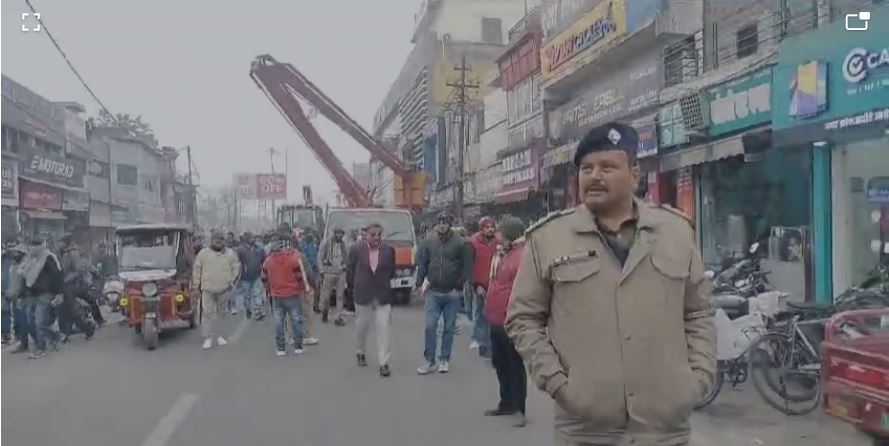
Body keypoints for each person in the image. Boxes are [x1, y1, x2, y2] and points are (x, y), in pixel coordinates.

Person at [506, 123, 716, 446]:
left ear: (635, 174)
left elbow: (698, 312)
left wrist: (698, 378)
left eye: (607, 167)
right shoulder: (548, 239)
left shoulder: (675, 232)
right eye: (586, 168)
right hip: (585, 430)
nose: (594, 176)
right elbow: (523, 318)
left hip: (664, 428)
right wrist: (558, 383)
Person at [415, 211, 473, 375]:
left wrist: (459, 285)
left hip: (452, 292)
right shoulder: (429, 240)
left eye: (445, 222)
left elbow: (467, 266)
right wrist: (419, 282)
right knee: (430, 326)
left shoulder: (460, 242)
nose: (442, 225)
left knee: (449, 328)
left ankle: (444, 360)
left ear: (450, 224)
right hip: (433, 291)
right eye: (440, 222)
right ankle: (430, 360)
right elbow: (423, 262)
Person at [484, 216, 528, 427]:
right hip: (495, 317)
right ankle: (506, 402)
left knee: (514, 364)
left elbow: (522, 291)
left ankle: (519, 408)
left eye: (501, 233)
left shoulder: (520, 257)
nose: (497, 236)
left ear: (511, 235)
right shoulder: (504, 253)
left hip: (510, 319)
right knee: (500, 363)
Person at [347, 223, 397, 377]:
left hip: (382, 296)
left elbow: (392, 272)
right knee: (362, 327)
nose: (376, 237)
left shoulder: (388, 251)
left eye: (379, 234)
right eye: (373, 234)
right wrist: (355, 287)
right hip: (363, 294)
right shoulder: (356, 249)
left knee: (384, 329)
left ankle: (383, 362)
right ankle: (360, 351)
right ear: (366, 235)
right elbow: (351, 270)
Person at [262, 230, 311, 356]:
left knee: (278, 322)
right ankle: (298, 347)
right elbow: (300, 277)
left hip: (276, 296)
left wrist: (269, 290)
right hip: (292, 295)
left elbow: (264, 278)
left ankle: (281, 349)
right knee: (296, 320)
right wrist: (303, 290)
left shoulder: (268, 261)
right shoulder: (294, 258)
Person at [16, 236, 64, 359]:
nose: (33, 248)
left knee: (40, 321)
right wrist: (21, 295)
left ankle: (41, 348)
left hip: (45, 293)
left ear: (42, 245)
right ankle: (54, 337)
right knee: (30, 321)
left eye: (36, 245)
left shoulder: (48, 258)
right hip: (31, 294)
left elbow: (56, 276)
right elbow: (24, 279)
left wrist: (59, 293)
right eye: (31, 245)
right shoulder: (28, 260)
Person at [192, 231, 240, 350]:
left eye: (220, 239)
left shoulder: (230, 253)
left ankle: (220, 336)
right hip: (207, 289)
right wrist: (196, 285)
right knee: (207, 313)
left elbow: (236, 268)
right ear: (211, 240)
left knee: (222, 314)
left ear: (224, 241)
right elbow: (197, 269)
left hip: (224, 289)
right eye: (215, 239)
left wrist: (232, 281)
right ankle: (208, 338)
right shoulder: (203, 253)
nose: (218, 241)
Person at [466, 216, 500, 357]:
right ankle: (480, 341)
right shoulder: (472, 242)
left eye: (492, 227)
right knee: (479, 313)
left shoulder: (499, 242)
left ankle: (490, 341)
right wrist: (476, 285)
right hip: (479, 285)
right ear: (481, 229)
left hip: (495, 284)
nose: (490, 229)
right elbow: (468, 266)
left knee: (493, 314)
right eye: (487, 227)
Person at [58, 237, 100, 337]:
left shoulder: (71, 254)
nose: (58, 245)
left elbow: (78, 268)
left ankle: (87, 328)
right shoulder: (61, 255)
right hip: (68, 286)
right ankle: (66, 331)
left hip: (73, 285)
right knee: (64, 310)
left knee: (71, 310)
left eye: (60, 243)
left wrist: (68, 278)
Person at [318, 228, 348, 324]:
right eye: (338, 233)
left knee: (340, 296)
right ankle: (325, 311)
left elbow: (347, 257)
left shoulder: (343, 244)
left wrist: (346, 266)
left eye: (341, 233)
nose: (340, 235)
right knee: (326, 296)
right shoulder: (326, 243)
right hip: (328, 272)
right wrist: (321, 270)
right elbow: (320, 257)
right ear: (334, 234)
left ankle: (338, 317)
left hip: (341, 273)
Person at [236, 232, 267, 320]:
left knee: (257, 293)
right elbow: (236, 262)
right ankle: (248, 309)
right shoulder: (240, 250)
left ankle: (257, 312)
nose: (252, 239)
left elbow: (265, 260)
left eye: (252, 237)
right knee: (247, 295)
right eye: (250, 237)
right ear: (245, 239)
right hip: (245, 277)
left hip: (257, 275)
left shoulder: (259, 249)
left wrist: (263, 270)